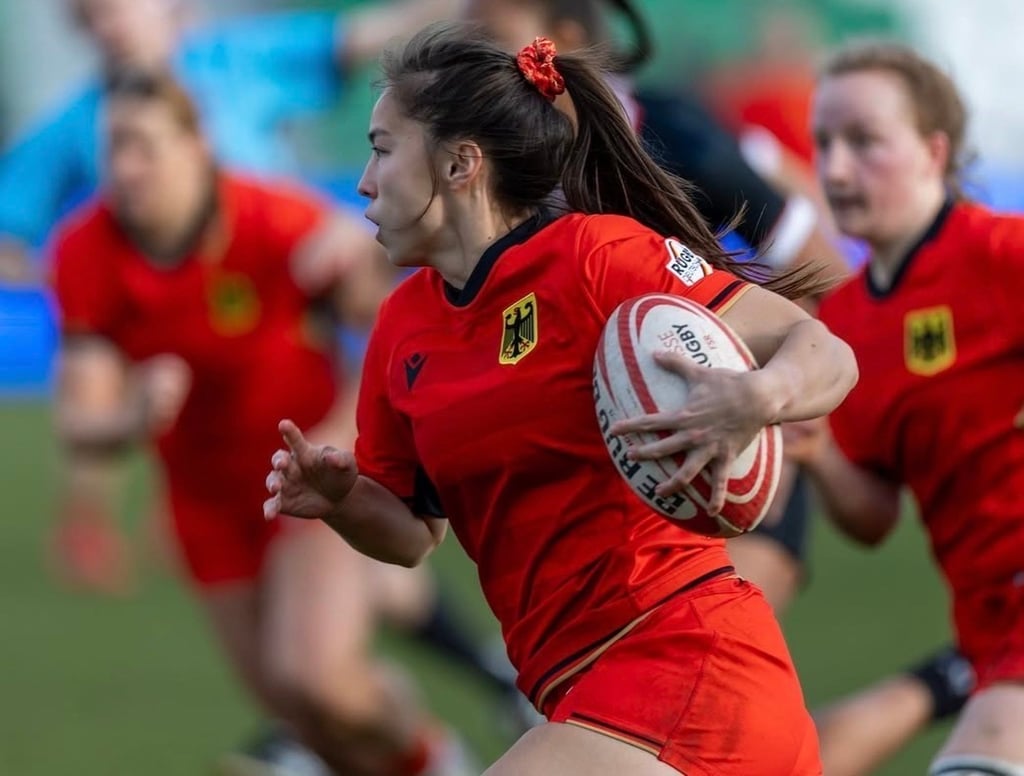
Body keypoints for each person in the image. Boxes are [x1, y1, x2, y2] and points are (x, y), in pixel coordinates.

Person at [264, 24, 859, 775]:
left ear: (459, 163)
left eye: (383, 149)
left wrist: (756, 396)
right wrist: (343, 499)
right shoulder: (403, 327)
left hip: (686, 668)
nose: (363, 180)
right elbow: (413, 536)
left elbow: (824, 351)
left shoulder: (594, 257)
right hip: (576, 692)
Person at [455, 3, 976, 772]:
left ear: (559, 34)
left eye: (485, 20)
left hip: (729, 439)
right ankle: (948, 680)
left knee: (703, 701)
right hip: (608, 465)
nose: (468, 36)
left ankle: (952, 682)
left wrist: (775, 388)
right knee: (656, 722)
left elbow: (825, 274)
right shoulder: (503, 164)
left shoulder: (668, 133)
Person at [49, 69, 471, 776]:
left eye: (142, 145)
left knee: (315, 677)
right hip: (206, 501)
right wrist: (131, 412)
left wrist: (360, 257)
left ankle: (438, 760)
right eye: (112, 148)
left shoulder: (272, 218)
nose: (125, 168)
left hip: (310, 474)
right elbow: (79, 423)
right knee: (296, 708)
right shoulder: (85, 251)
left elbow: (386, 323)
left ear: (197, 144)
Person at [794, 40, 1024, 776]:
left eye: (864, 142)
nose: (834, 170)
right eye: (825, 143)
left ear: (933, 150)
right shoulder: (846, 328)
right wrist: (816, 452)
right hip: (988, 633)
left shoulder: (999, 254)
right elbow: (875, 516)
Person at [0, 0, 460, 281]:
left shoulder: (233, 60)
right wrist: (88, 285)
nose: (112, 26)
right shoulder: (78, 120)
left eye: (121, 7)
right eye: (94, 14)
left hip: (286, 273)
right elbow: (12, 231)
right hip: (182, 304)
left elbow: (359, 37)